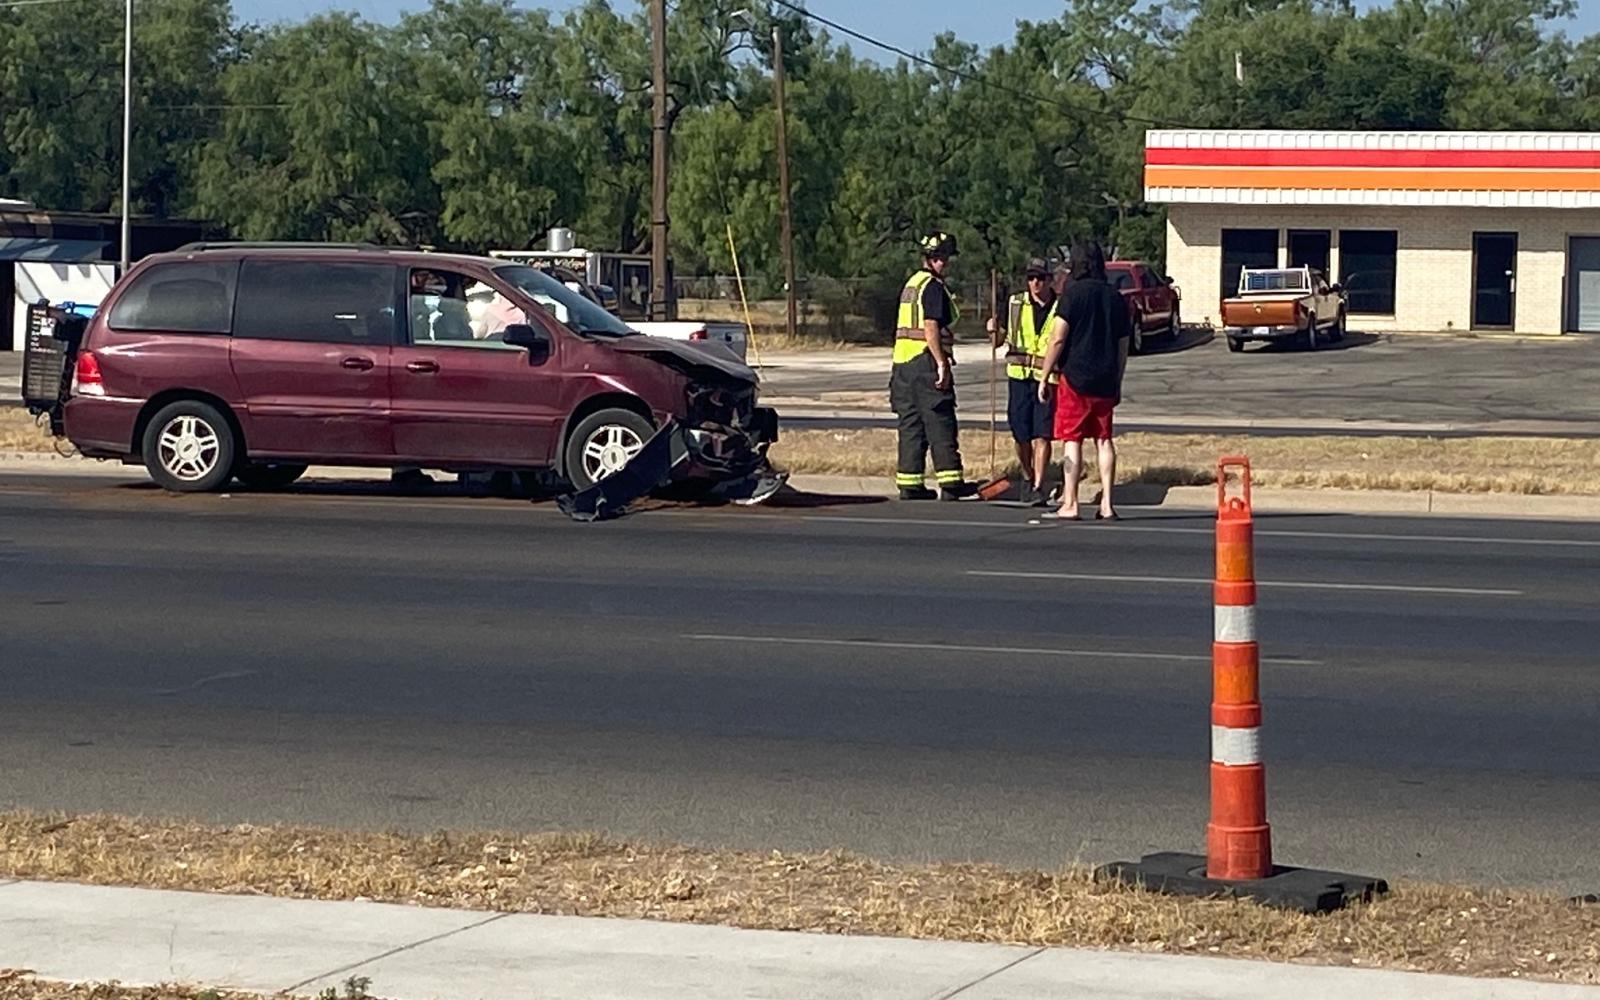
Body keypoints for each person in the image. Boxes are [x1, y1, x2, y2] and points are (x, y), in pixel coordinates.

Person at [1036, 240, 1130, 521]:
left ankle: (1071, 503)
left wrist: (1044, 375)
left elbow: (1058, 337)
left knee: (1072, 440)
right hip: (1105, 379)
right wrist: (1118, 379)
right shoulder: (1115, 297)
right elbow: (1123, 344)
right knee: (1104, 440)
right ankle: (1107, 505)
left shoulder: (1072, 294)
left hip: (1075, 379)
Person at [889, 230, 976, 501]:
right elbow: (930, 327)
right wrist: (941, 363)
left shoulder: (911, 284)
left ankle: (910, 482)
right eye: (942, 258)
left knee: (911, 425)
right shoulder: (933, 287)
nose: (944, 264)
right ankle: (951, 483)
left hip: (902, 366)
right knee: (939, 421)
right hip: (925, 362)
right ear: (934, 259)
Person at [985, 257, 1058, 506]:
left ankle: (1038, 484)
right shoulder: (1015, 303)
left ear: (1050, 280)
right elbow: (998, 341)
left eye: (1039, 278)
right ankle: (1027, 475)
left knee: (1043, 434)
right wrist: (993, 331)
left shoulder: (1060, 307)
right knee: (1021, 433)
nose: (1035, 283)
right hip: (1018, 377)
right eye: (1030, 278)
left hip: (1046, 380)